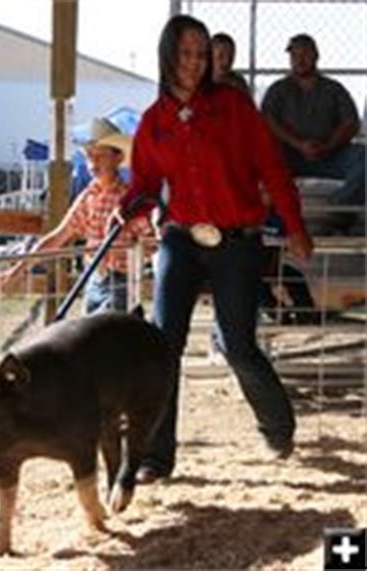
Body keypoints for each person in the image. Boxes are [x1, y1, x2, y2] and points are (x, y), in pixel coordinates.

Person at [115, 14, 313, 483]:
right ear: (168, 56)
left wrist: (294, 226)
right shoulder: (153, 121)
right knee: (165, 346)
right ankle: (155, 458)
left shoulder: (236, 108)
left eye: (202, 54)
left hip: (237, 240)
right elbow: (144, 181)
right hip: (181, 239)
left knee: (239, 345)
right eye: (185, 53)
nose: (194, 62)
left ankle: (278, 427)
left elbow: (272, 170)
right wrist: (129, 207)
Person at [0, 118, 154, 314]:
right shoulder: (88, 197)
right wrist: (19, 269)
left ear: (118, 158)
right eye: (89, 156)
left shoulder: (128, 200)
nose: (93, 162)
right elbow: (58, 236)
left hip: (120, 282)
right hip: (94, 278)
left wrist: (132, 254)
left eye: (101, 156)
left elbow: (150, 243)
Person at [261, 33, 365, 235]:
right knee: (264, 157)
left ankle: (336, 214)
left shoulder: (333, 88)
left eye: (305, 54)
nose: (299, 60)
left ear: (316, 56)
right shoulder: (278, 89)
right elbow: (267, 122)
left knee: (364, 158)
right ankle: (274, 223)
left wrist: (328, 146)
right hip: (290, 154)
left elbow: (351, 122)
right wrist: (299, 144)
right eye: (294, 56)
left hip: (331, 153)